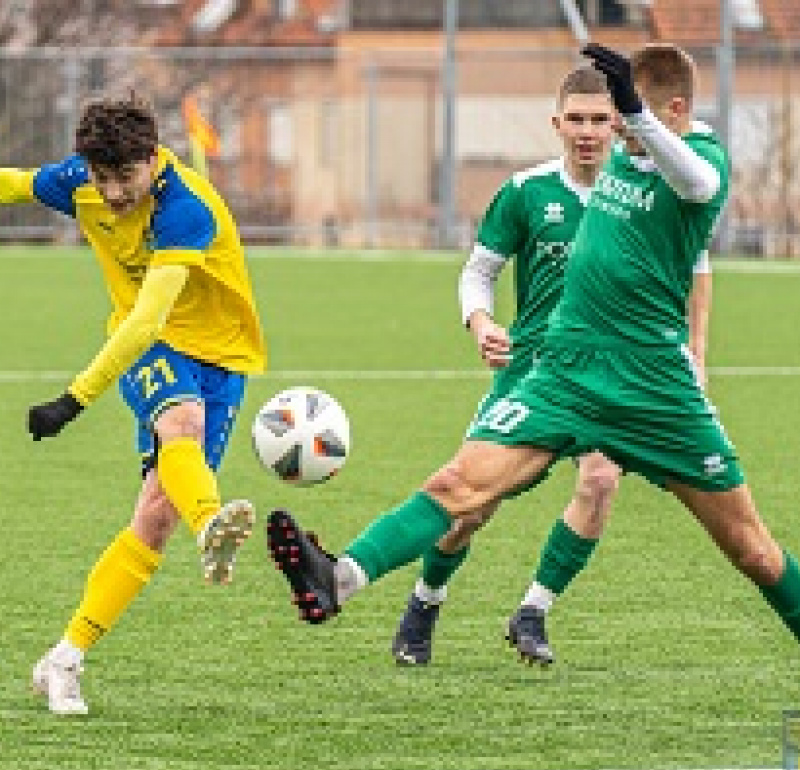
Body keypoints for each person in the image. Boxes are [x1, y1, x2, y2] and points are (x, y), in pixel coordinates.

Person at [267, 43, 800, 659]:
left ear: (672, 112)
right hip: (565, 372)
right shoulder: (564, 177)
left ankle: (533, 609)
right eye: (600, 120)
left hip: (654, 388)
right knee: (459, 487)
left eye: (621, 119)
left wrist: (639, 115)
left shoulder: (701, 159)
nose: (610, 134)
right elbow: (486, 267)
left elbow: (698, 183)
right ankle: (338, 579)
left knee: (751, 549)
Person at [389, 66, 713, 667]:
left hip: (609, 372)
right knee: (470, 509)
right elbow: (478, 271)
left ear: (617, 123)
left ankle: (533, 610)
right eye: (577, 120)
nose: (588, 132)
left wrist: (696, 352)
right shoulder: (526, 193)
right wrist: (482, 323)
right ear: (556, 123)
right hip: (532, 374)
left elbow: (695, 269)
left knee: (599, 482)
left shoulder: (646, 192)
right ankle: (425, 600)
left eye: (600, 119)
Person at [0, 91, 265, 714]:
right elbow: (12, 184)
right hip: (145, 343)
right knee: (183, 424)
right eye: (102, 178)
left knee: (154, 515)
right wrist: (80, 397)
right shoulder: (78, 181)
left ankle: (64, 659)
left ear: (153, 158)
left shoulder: (185, 208)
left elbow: (154, 314)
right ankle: (213, 528)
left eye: (126, 177)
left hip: (218, 355)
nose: (114, 193)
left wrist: (73, 399)